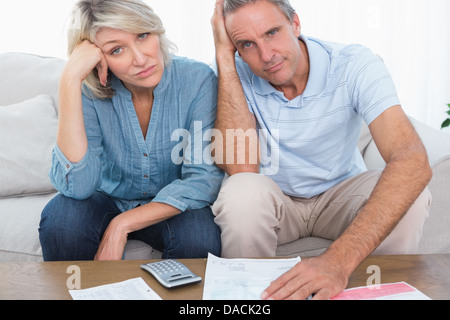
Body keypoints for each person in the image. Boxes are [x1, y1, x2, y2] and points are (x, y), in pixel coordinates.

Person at [210, 0, 432, 300]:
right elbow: (240, 169)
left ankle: (378, 293)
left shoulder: (353, 63)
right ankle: (252, 299)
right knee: (241, 190)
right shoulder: (230, 75)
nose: (266, 55)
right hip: (276, 203)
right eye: (246, 44)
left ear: (296, 24)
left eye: (272, 32)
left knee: (414, 193)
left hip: (339, 196)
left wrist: (336, 261)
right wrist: (224, 57)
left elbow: (412, 161)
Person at [39, 0, 224, 261]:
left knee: (199, 238)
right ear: (98, 59)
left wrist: (122, 224)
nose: (140, 59)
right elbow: (78, 187)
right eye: (116, 50)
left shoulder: (198, 80)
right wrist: (70, 79)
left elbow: (202, 181)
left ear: (156, 31)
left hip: (171, 203)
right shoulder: (88, 91)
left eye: (143, 35)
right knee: (62, 221)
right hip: (106, 199)